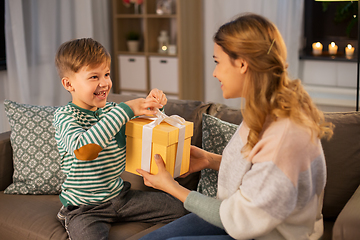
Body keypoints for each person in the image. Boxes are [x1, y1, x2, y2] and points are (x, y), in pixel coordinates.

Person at [137, 13, 334, 240]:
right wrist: (209, 160)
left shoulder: (285, 137)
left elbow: (243, 220)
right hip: (240, 219)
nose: (215, 73)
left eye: (217, 62)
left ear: (241, 63)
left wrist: (170, 186)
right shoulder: (265, 110)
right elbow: (259, 176)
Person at [53, 38, 188, 240]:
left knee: (185, 208)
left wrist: (154, 104)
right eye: (93, 77)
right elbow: (84, 151)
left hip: (121, 197)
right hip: (84, 208)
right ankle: (69, 218)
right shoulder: (64, 116)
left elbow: (148, 127)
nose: (104, 82)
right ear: (68, 84)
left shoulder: (113, 111)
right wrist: (127, 109)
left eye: (106, 74)